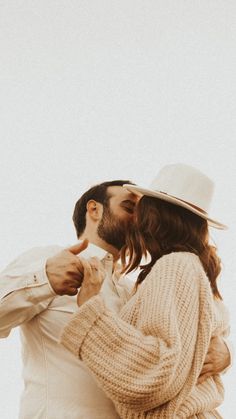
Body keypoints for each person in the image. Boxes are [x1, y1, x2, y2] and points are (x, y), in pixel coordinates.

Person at [0, 178, 231, 419]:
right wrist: (44, 278)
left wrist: (227, 354)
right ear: (94, 209)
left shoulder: (140, 290)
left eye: (143, 213)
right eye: (130, 209)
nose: (139, 220)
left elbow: (170, 360)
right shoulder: (46, 258)